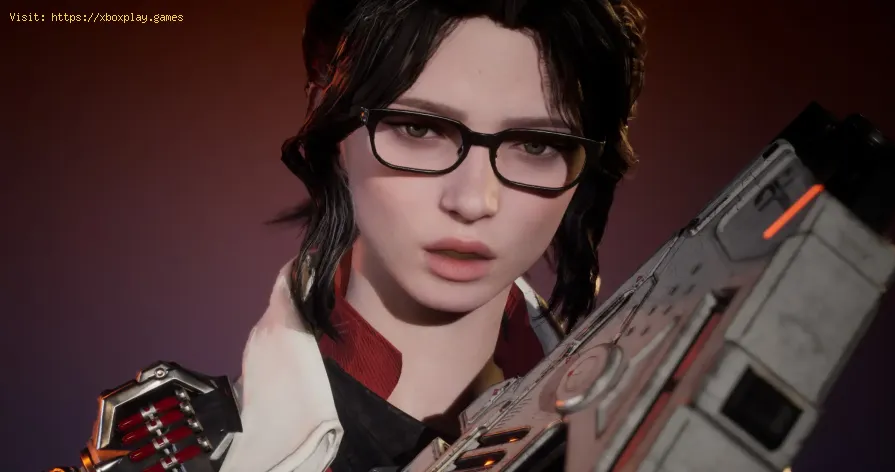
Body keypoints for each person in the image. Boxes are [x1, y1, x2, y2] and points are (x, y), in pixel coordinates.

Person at [53, 0, 648, 471]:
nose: (473, 201)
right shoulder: (188, 456)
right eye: (419, 129)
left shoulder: (648, 405)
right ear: (332, 129)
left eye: (537, 144)